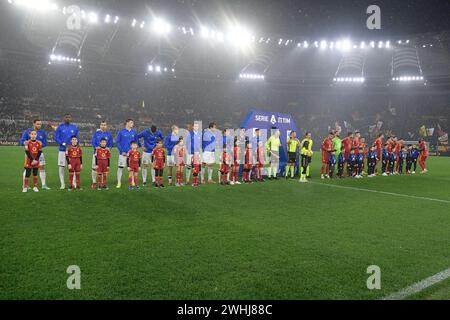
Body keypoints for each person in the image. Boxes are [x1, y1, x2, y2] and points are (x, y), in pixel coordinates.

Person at [19, 119, 50, 190]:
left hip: (39, 153)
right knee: (28, 169)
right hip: (29, 153)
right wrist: (26, 143)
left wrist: (40, 145)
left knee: (42, 167)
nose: (39, 125)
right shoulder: (27, 131)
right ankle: (25, 185)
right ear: (34, 124)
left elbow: (45, 143)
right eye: (38, 124)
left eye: (40, 124)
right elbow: (22, 141)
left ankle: (44, 185)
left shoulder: (42, 132)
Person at [55, 114, 79, 190]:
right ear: (64, 118)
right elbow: (56, 137)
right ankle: (62, 183)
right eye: (66, 117)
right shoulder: (60, 127)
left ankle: (74, 183)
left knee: (73, 167)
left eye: (69, 117)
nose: (67, 118)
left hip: (72, 151)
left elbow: (77, 138)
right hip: (62, 150)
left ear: (71, 118)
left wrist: (74, 145)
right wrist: (62, 143)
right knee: (61, 167)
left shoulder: (74, 127)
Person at [116, 119, 140, 189]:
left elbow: (136, 142)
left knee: (132, 169)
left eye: (133, 122)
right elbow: (117, 142)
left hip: (132, 155)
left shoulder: (134, 132)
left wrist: (136, 150)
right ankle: (119, 182)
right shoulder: (121, 132)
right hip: (123, 154)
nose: (132, 124)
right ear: (127, 123)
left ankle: (132, 182)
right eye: (131, 122)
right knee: (120, 167)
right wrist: (121, 151)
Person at [90, 121, 114, 189]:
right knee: (94, 168)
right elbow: (93, 142)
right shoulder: (96, 133)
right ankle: (94, 182)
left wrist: (109, 148)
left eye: (104, 125)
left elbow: (111, 143)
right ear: (100, 126)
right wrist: (96, 147)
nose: (103, 126)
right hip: (96, 154)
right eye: (102, 125)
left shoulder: (108, 134)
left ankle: (103, 183)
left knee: (104, 169)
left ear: (106, 126)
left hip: (105, 155)